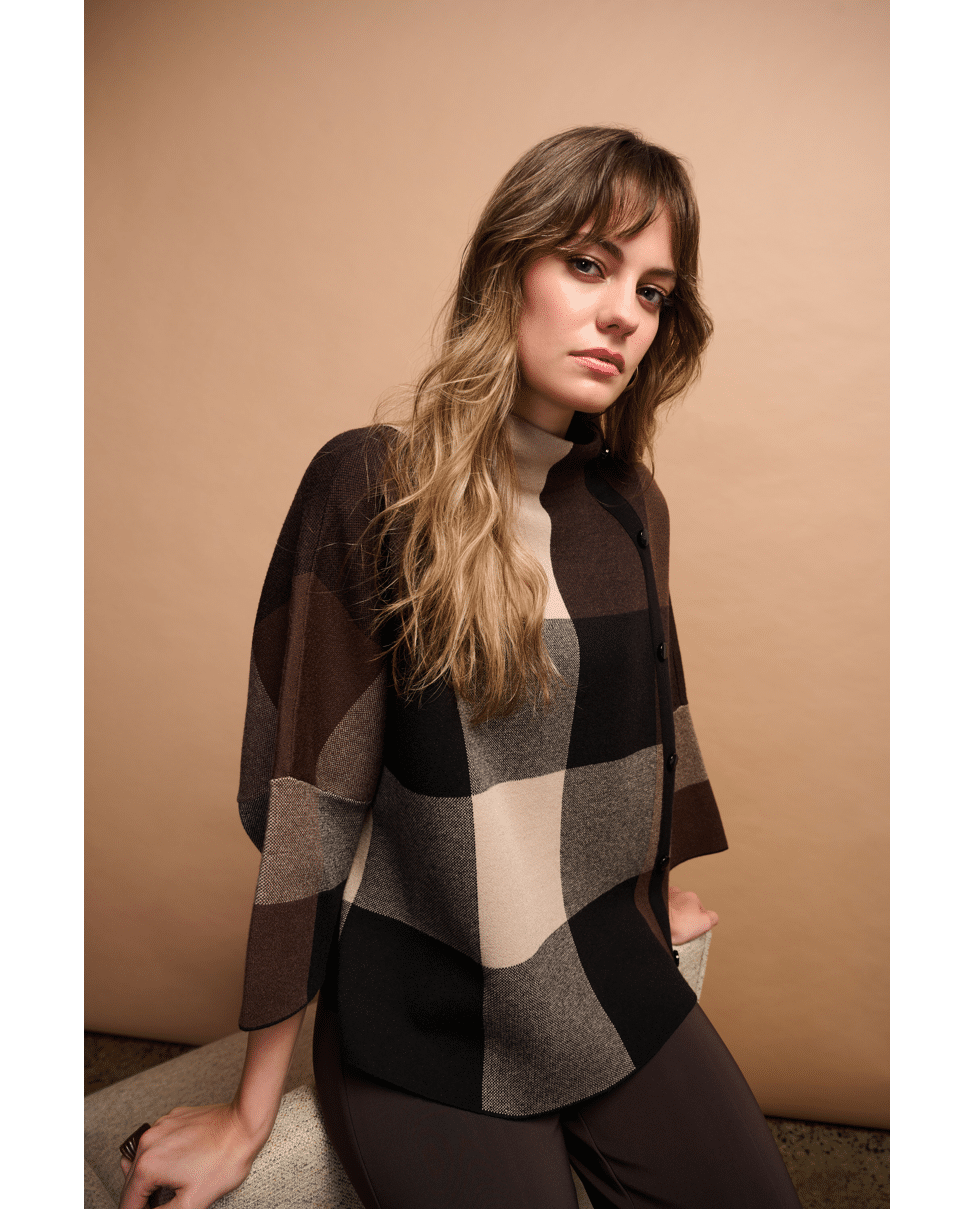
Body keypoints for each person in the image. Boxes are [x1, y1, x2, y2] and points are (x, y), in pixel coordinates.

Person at [119, 127, 802, 1209]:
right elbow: (309, 802)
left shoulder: (629, 505)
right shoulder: (371, 485)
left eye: (652, 290)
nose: (623, 313)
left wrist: (643, 893)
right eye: (588, 263)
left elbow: (649, 727)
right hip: (425, 999)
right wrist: (249, 1111)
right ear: (506, 267)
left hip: (601, 966)